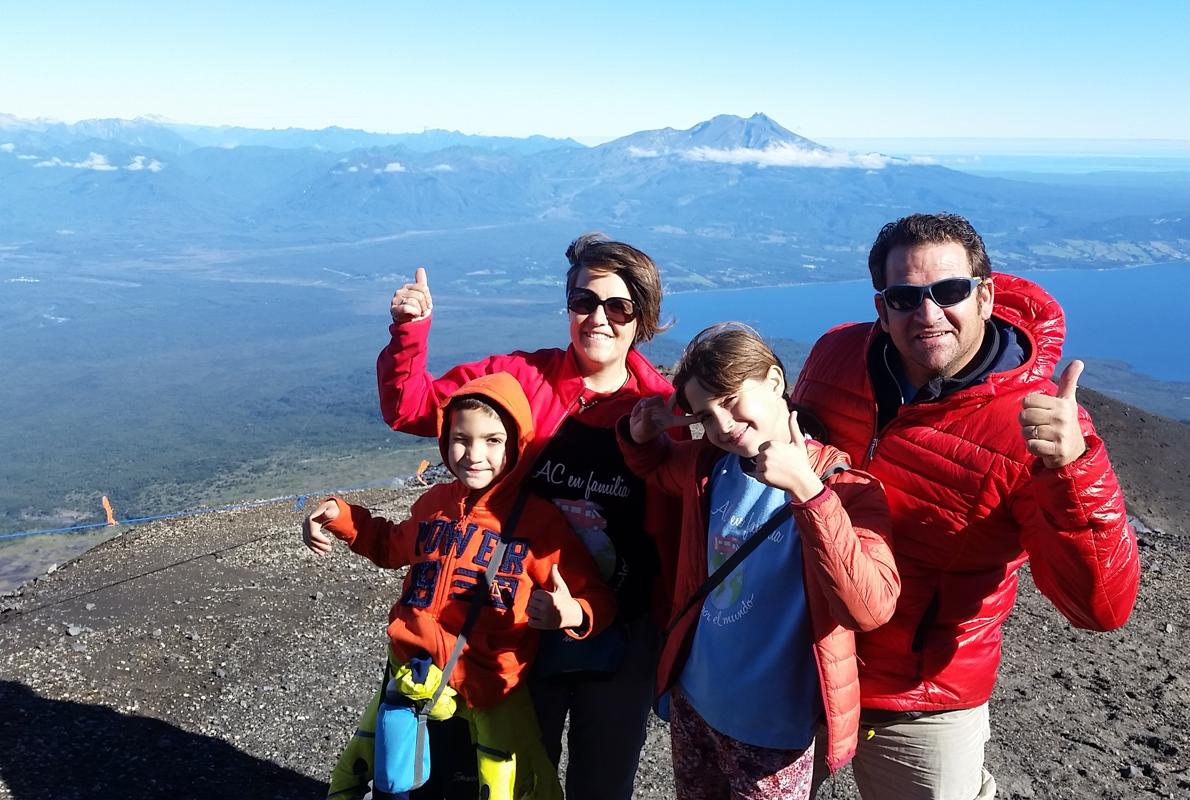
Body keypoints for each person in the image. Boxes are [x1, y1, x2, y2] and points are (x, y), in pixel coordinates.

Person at [793, 213, 1141, 799]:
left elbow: (1100, 608)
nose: (927, 314)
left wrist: (1075, 471)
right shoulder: (835, 357)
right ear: (882, 308)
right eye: (905, 297)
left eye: (949, 291)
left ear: (985, 295)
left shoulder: (1039, 425)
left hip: (920, 696)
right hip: (805, 659)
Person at [376, 233, 682, 800]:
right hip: (515, 625)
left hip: (626, 627)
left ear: (643, 317)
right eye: (584, 302)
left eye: (618, 307)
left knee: (603, 781)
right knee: (513, 777)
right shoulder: (520, 380)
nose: (598, 319)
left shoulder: (660, 407)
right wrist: (409, 332)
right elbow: (413, 408)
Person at [618, 323, 900, 800]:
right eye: (706, 416)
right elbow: (656, 468)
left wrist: (809, 493)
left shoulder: (847, 488)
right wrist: (639, 432)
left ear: (774, 381)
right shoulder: (709, 466)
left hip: (773, 733)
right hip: (695, 704)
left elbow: (869, 608)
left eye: (730, 400)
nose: (723, 425)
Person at [303, 373, 616, 800]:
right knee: (401, 781)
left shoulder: (538, 524)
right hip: (410, 673)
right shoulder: (433, 505)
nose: (474, 454)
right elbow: (388, 544)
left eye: (492, 441)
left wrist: (573, 613)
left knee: (507, 783)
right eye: (461, 438)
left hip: (490, 689)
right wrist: (338, 515)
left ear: (517, 446)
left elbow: (596, 596)